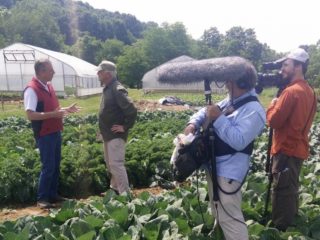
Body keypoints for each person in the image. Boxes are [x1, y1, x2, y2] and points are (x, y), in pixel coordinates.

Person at [184, 59, 266, 240]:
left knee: (231, 218)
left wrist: (219, 118)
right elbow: (207, 111)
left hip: (229, 172)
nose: (227, 85)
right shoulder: (232, 100)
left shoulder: (254, 110)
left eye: (230, 80)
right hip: (214, 166)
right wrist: (193, 123)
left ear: (242, 82)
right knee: (218, 211)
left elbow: (239, 141)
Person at [266, 48, 317, 231]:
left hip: (286, 149)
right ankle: (291, 223)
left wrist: (272, 105)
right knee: (290, 189)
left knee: (282, 192)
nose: (282, 70)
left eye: (286, 65)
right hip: (299, 148)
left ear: (298, 66)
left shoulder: (290, 92)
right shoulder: (309, 91)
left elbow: (273, 121)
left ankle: (281, 229)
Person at [24, 59, 80, 209]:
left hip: (55, 131)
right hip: (44, 133)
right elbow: (31, 115)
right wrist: (53, 115)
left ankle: (53, 194)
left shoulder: (48, 86)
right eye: (50, 70)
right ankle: (42, 198)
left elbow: (54, 109)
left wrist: (66, 109)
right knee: (48, 166)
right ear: (41, 72)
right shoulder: (32, 89)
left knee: (55, 165)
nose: (53, 73)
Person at [97, 60, 137, 195]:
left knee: (116, 164)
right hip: (108, 134)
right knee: (110, 164)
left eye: (100, 72)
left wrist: (125, 127)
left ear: (107, 74)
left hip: (116, 134)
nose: (98, 74)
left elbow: (131, 110)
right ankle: (114, 189)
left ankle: (125, 195)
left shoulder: (116, 89)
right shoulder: (108, 87)